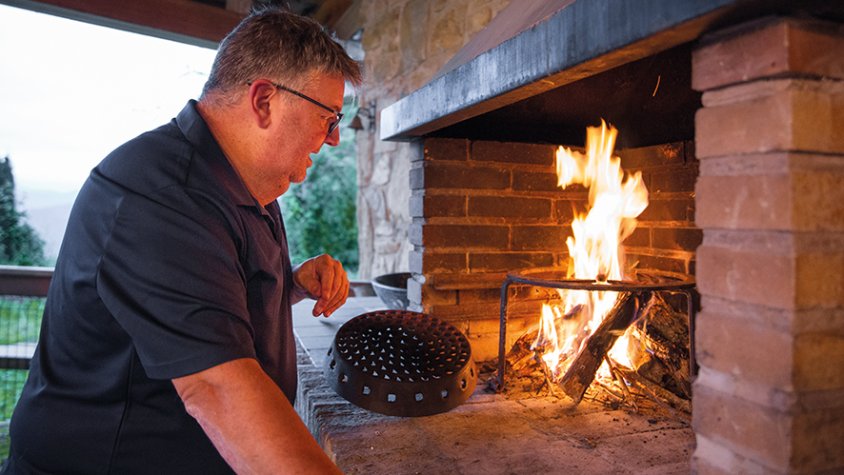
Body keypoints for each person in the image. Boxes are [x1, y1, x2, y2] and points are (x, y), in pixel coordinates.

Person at [3, 7, 361, 474]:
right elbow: (215, 389)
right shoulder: (161, 195)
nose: (333, 139)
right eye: (328, 117)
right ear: (264, 101)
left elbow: (213, 295)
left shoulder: (246, 185)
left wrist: (289, 285)